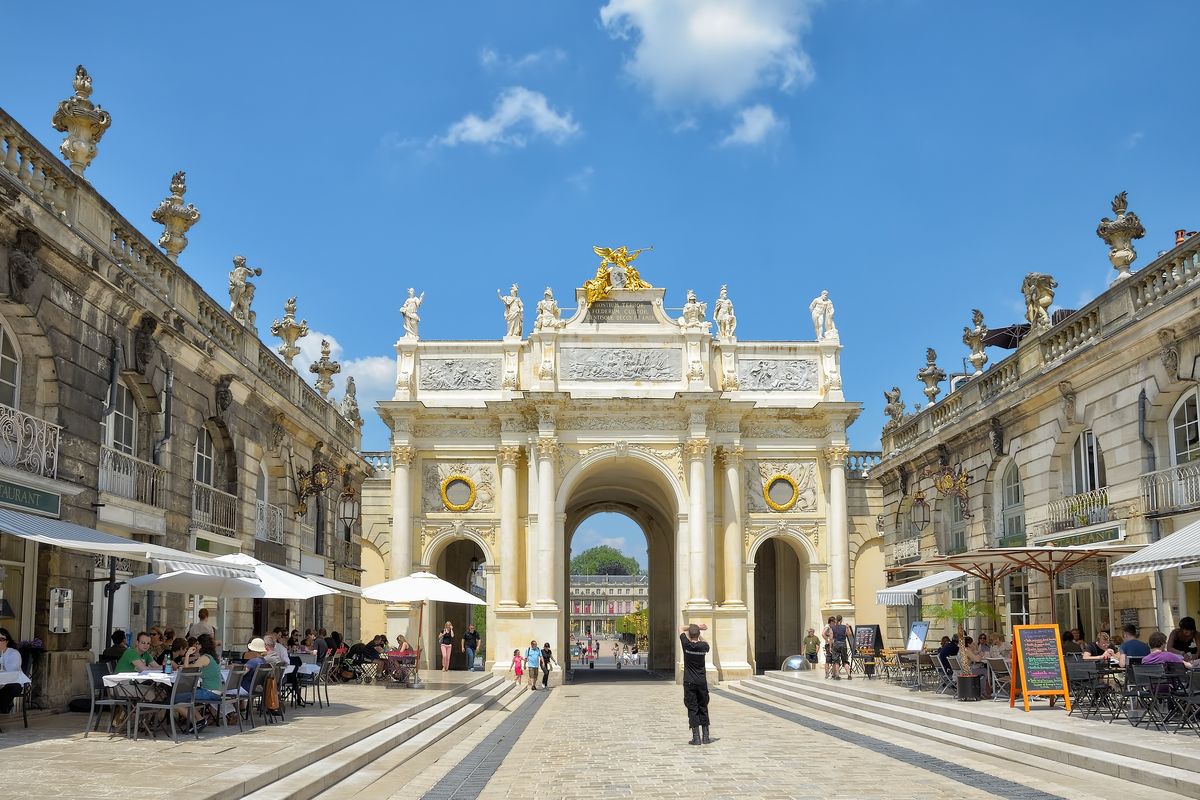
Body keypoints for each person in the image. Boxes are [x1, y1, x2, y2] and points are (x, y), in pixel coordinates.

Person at [178, 634, 224, 728]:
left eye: (198, 644)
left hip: (209, 692)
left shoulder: (204, 658)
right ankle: (200, 720)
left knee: (176, 701)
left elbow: (187, 669)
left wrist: (187, 654)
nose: (196, 646)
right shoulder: (211, 657)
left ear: (202, 645)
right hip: (216, 691)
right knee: (184, 698)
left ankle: (197, 722)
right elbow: (190, 668)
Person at [679, 623, 712, 745]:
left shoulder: (686, 645)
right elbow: (706, 644)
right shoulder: (703, 646)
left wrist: (696, 626)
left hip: (689, 682)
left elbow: (680, 628)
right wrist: (700, 632)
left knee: (692, 708)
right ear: (698, 634)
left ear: (688, 635)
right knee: (703, 707)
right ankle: (706, 737)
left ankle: (696, 737)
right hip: (701, 682)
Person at [0, 628, 23, 715]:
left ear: (7, 641)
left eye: (1, 639)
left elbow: (12, 673)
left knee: (12, 687)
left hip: (13, 684)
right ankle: (5, 706)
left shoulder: (13, 653)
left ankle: (4, 707)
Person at [830, 615, 852, 680]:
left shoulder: (832, 627)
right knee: (845, 660)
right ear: (841, 620)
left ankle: (837, 675)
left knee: (836, 661)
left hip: (836, 644)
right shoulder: (844, 627)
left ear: (836, 620)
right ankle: (849, 675)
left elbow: (831, 638)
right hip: (843, 644)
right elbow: (849, 634)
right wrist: (848, 628)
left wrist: (830, 646)